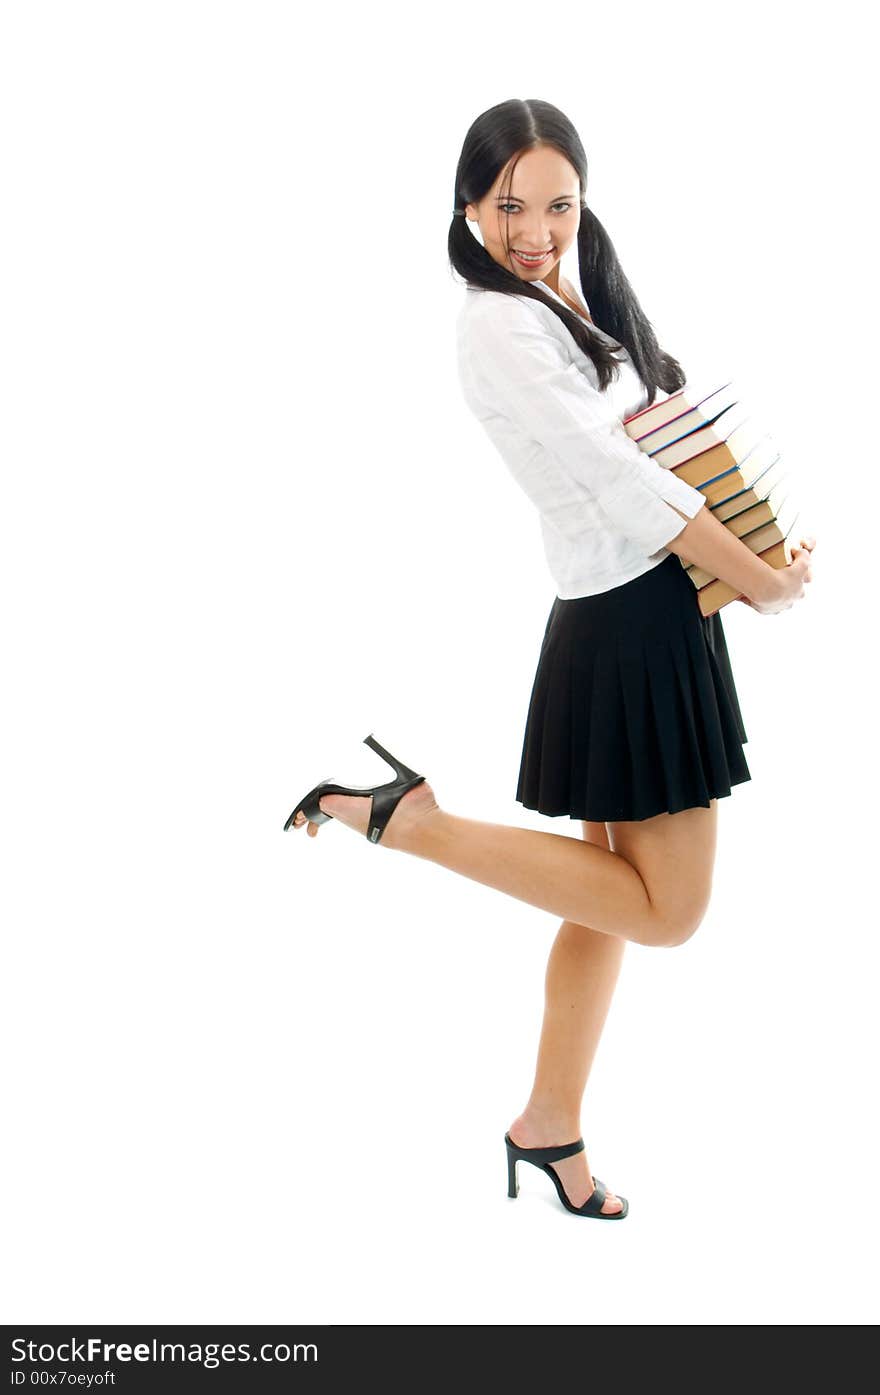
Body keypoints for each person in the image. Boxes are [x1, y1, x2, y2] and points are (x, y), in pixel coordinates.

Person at [286, 98, 816, 1221]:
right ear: (467, 203)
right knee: (667, 915)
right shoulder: (500, 321)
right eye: (509, 205)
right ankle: (404, 819)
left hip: (638, 606)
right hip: (630, 620)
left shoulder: (561, 294)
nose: (534, 227)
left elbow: (655, 442)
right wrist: (758, 582)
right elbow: (626, 490)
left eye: (557, 204)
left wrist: (761, 543)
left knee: (605, 906)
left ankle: (549, 1126)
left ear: (582, 200)